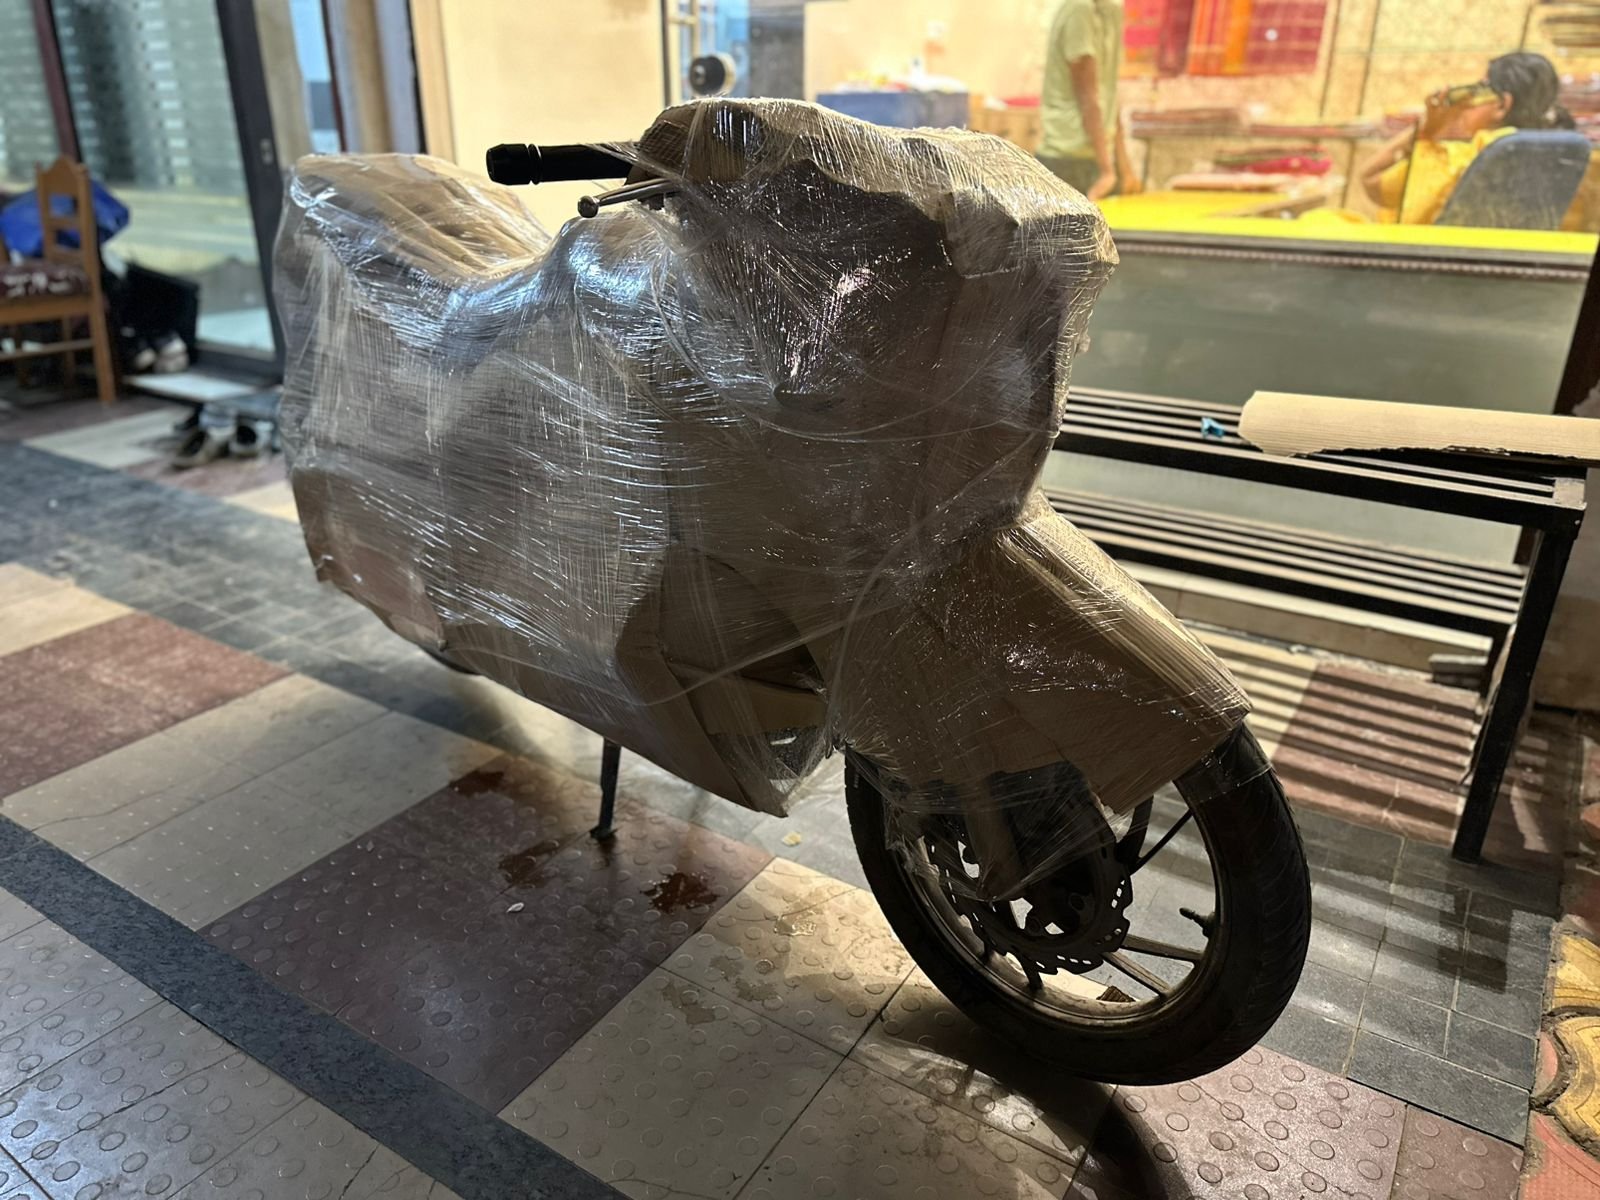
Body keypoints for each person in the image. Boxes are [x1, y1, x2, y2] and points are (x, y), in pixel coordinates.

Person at [1359, 52, 1576, 225]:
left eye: (1477, 90)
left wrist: (1427, 131)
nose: (1468, 103)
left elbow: (1371, 180)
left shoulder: (1461, 157)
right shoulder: (1551, 154)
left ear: (1502, 105)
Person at [1039, 0, 1141, 199]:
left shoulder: (1111, 11)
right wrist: (1108, 170)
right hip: (1067, 159)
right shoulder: (1079, 9)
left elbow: (1108, 92)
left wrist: (1123, 169)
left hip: (1098, 158)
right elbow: (1087, 96)